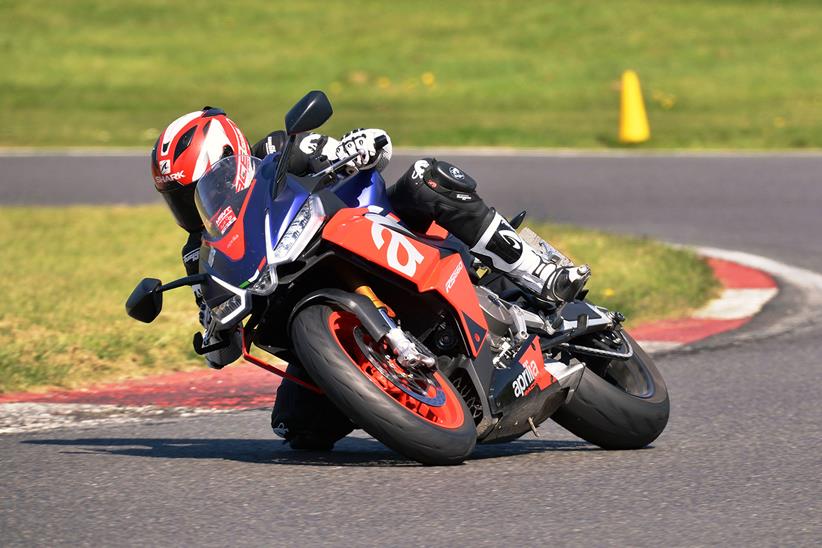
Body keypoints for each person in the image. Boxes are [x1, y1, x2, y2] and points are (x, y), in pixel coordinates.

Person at [150, 106, 590, 449]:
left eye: (192, 190)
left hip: (374, 231)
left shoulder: (279, 151)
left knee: (425, 179)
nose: (188, 207)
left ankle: (540, 272)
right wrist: (214, 332)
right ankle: (396, 392)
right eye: (178, 198)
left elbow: (375, 147)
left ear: (230, 158)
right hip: (303, 301)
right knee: (297, 429)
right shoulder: (200, 252)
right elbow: (218, 344)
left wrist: (354, 148)